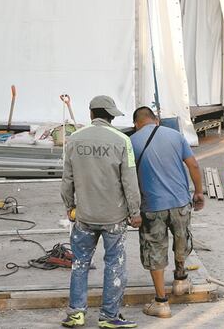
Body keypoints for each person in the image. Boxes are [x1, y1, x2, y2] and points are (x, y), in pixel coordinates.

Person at [60, 95, 142, 329]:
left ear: (91, 114)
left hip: (84, 216)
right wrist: (134, 211)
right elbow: (129, 180)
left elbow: (67, 180)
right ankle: (109, 316)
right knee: (115, 264)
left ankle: (76, 313)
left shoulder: (74, 139)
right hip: (113, 217)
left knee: (80, 263)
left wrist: (70, 206)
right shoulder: (121, 140)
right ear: (111, 116)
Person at [129, 106, 205, 319]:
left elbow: (127, 178)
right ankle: (180, 280)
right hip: (180, 202)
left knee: (155, 250)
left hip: (152, 206)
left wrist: (132, 209)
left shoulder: (132, 142)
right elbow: (194, 166)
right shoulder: (175, 135)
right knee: (181, 239)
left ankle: (161, 303)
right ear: (156, 120)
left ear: (136, 123)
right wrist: (198, 192)